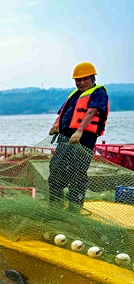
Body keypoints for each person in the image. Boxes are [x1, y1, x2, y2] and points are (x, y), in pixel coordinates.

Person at [47, 62, 110, 210]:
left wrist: (80, 131)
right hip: (65, 140)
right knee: (55, 170)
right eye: (78, 80)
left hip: (83, 141)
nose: (81, 83)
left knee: (77, 174)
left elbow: (91, 112)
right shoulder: (74, 95)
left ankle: (74, 210)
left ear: (92, 78)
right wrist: (56, 124)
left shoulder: (98, 92)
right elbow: (62, 113)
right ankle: (55, 207)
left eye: (84, 79)